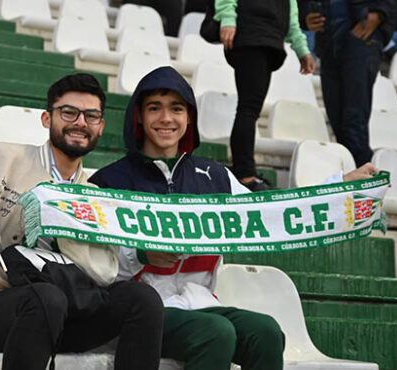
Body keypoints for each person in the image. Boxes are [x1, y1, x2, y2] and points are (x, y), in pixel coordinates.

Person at [89, 66, 379, 370]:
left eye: (176, 108)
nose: (166, 119)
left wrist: (339, 186)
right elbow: (94, 267)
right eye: (154, 108)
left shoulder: (216, 177)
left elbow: (274, 211)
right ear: (138, 115)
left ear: (189, 118)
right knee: (216, 333)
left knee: (265, 332)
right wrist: (142, 255)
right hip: (139, 313)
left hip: (201, 303)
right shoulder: (110, 181)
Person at [0, 74, 164, 370]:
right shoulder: (5, 158)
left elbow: (104, 272)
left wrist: (75, 232)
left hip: (64, 312)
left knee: (142, 299)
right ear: (46, 118)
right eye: (68, 112)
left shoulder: (92, 195)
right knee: (45, 298)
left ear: (101, 127)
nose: (80, 122)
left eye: (91, 116)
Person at [215, 0, 315, 191]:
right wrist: (228, 19)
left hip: (267, 43)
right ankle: (245, 175)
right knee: (249, 109)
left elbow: (291, 17)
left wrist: (302, 49)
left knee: (250, 109)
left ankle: (245, 172)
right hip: (252, 38)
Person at [300, 0, 397, 167]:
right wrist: (304, 17)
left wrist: (379, 12)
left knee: (354, 122)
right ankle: (355, 181)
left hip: (361, 34)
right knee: (337, 120)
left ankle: (364, 183)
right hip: (328, 38)